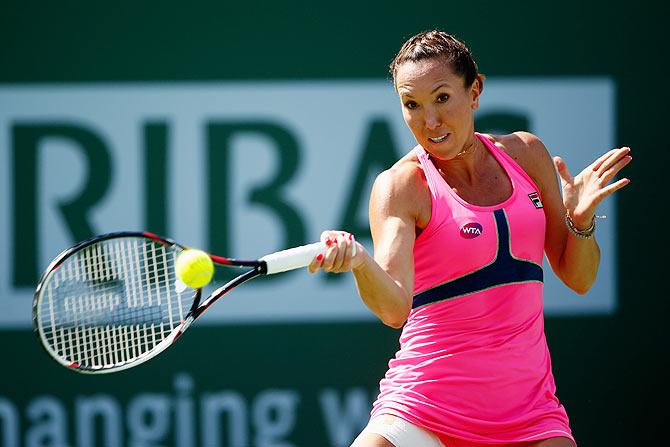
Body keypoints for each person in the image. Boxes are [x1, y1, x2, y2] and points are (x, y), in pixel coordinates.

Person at [308, 30, 631, 447]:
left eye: (442, 98)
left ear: (474, 90)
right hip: (423, 411)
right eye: (412, 105)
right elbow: (393, 308)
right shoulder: (402, 187)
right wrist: (358, 262)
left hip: (530, 416)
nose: (430, 122)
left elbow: (579, 277)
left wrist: (580, 221)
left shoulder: (527, 155)